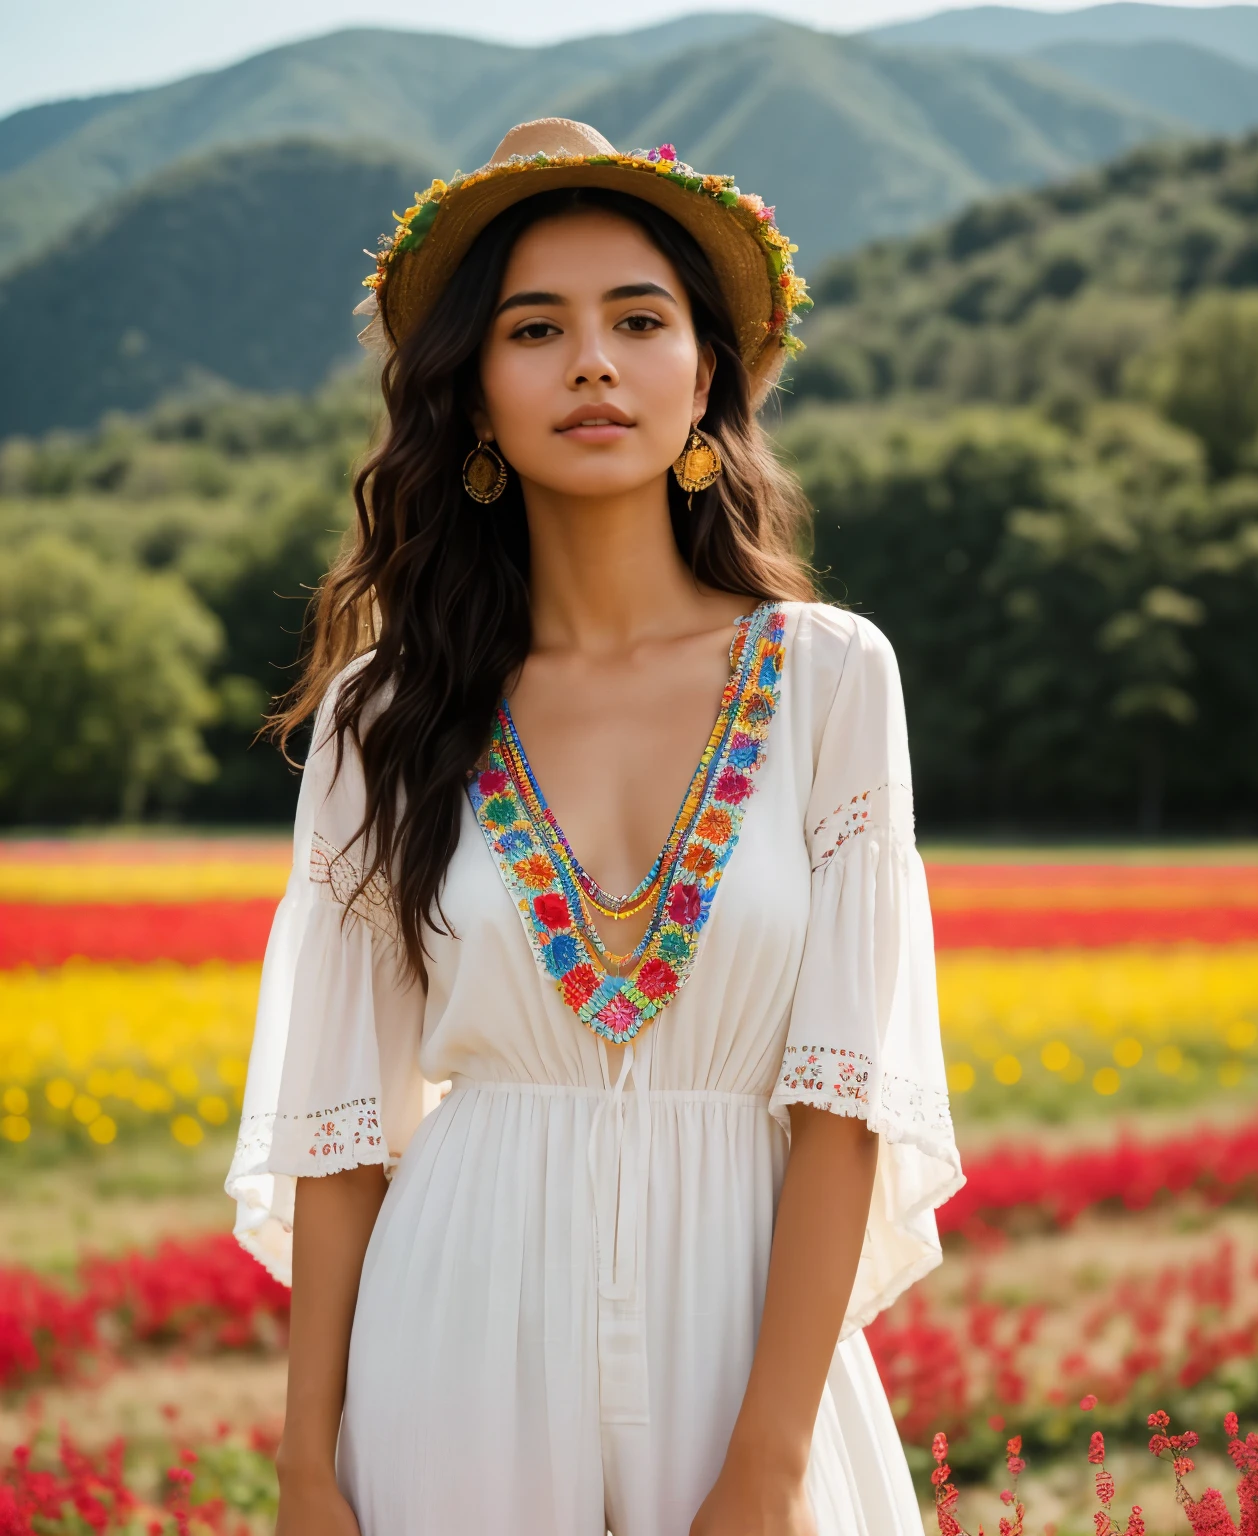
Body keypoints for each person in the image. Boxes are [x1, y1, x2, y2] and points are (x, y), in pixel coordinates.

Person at [225, 117, 964, 1536]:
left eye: (639, 319)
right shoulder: (389, 711)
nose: (592, 364)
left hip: (742, 1342)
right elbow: (338, 1123)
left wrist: (769, 1463)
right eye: (534, 328)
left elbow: (844, 1098)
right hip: (454, 1336)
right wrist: (308, 1469)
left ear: (706, 377)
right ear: (475, 396)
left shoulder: (830, 678)